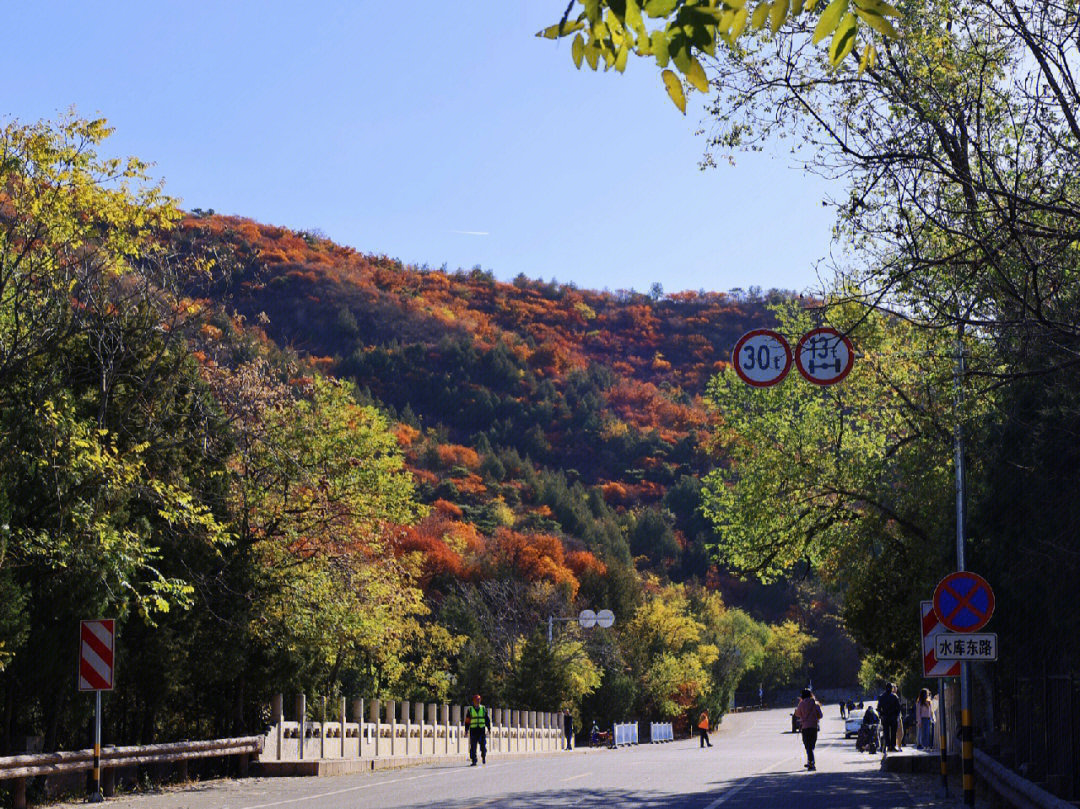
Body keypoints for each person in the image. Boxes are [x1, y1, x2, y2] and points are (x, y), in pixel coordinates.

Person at [794, 688, 823, 770]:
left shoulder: (801, 704)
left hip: (805, 727)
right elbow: (820, 716)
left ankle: (811, 762)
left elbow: (797, 714)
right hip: (814, 727)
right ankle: (810, 761)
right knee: (811, 746)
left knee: (808, 746)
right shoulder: (815, 704)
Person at [465, 694, 489, 766]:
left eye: (479, 700)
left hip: (481, 730)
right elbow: (467, 721)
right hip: (473, 730)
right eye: (476, 700)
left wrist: (489, 728)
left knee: (483, 745)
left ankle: (483, 756)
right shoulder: (470, 710)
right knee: (473, 746)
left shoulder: (483, 708)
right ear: (473, 701)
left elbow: (487, 719)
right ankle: (474, 760)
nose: (478, 702)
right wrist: (466, 730)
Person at [877, 683, 902, 753]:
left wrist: (881, 715)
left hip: (885, 717)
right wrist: (897, 715)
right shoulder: (894, 697)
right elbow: (899, 708)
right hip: (892, 717)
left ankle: (889, 746)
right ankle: (892, 746)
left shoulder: (882, 697)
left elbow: (878, 708)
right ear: (891, 688)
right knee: (893, 732)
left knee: (886, 732)